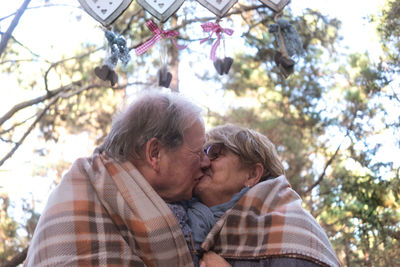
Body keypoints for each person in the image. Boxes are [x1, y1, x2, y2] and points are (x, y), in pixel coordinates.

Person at [24, 90, 211, 267]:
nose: (206, 162)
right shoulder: (80, 200)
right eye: (199, 151)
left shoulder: (103, 188)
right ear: (155, 154)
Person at [186, 124, 341, 267]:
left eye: (214, 153)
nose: (204, 163)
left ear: (252, 175)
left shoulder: (292, 230)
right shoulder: (180, 218)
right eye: (201, 155)